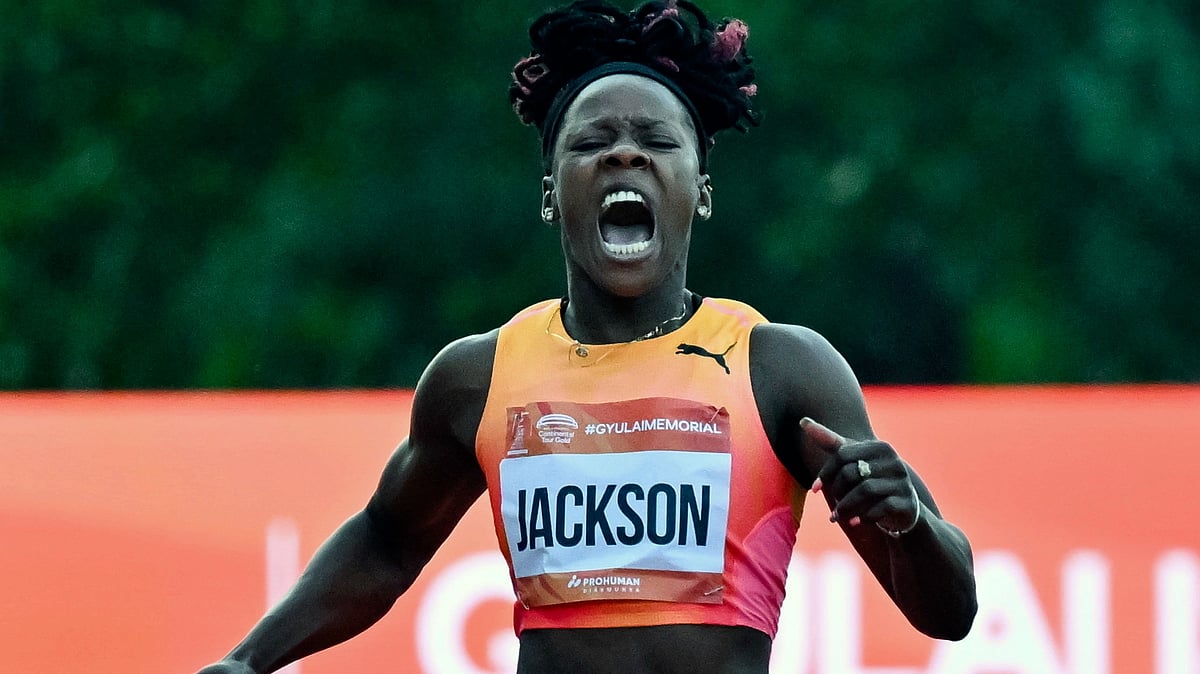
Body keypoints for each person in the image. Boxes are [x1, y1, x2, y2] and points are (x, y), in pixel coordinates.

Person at [198, 2, 977, 672]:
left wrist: (906, 522)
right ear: (550, 196)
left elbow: (951, 611)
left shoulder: (780, 368)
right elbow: (384, 541)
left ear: (701, 191)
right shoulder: (478, 379)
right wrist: (250, 657)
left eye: (658, 141)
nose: (624, 152)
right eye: (591, 141)